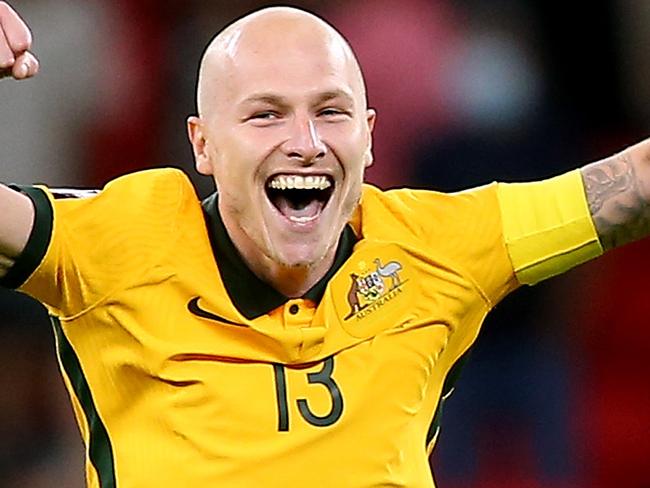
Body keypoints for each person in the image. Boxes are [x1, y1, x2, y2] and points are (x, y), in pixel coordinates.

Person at [1, 2, 649, 487]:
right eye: (265, 114)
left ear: (368, 138)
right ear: (202, 143)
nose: (306, 140)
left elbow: (635, 185)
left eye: (331, 112)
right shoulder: (117, 240)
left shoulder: (439, 245)